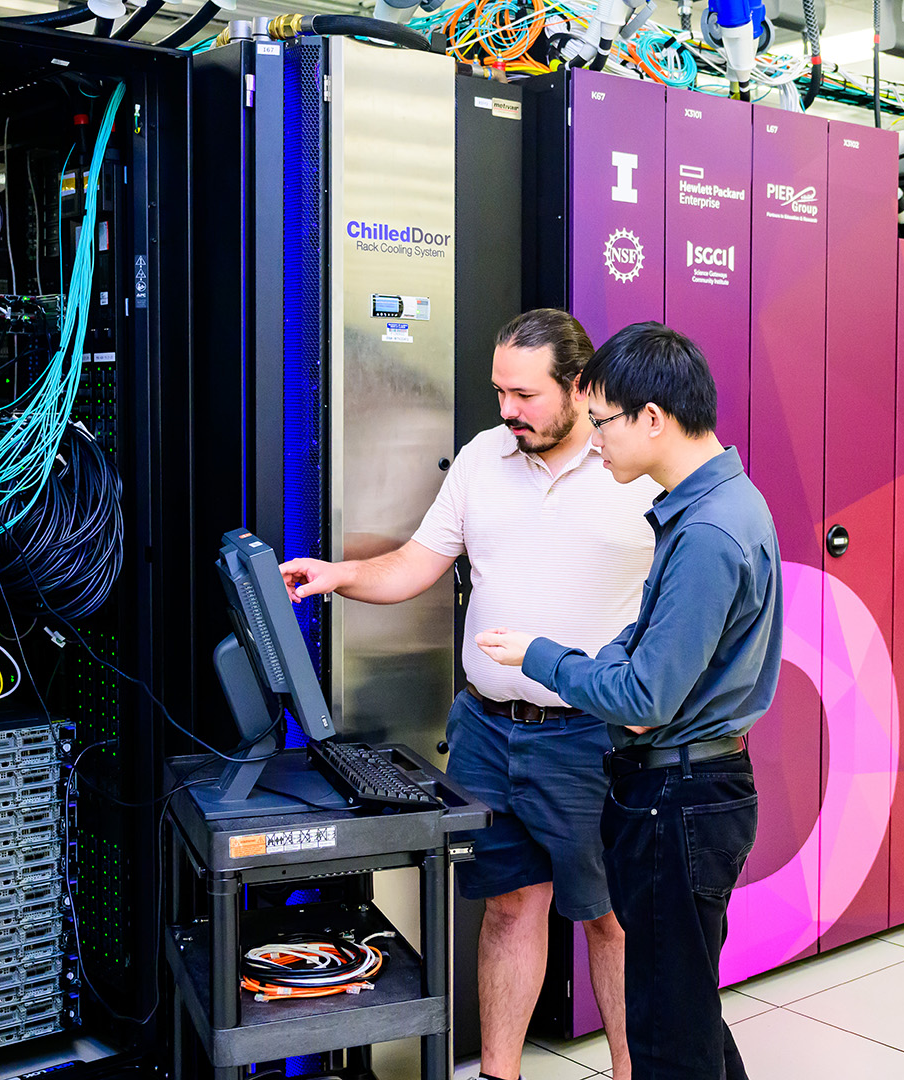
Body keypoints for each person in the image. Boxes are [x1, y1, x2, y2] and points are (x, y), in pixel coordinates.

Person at [280, 309, 653, 1080]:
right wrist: (339, 576)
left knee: (612, 921)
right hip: (488, 731)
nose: (507, 411)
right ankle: (499, 1074)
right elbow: (420, 560)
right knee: (510, 905)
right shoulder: (486, 456)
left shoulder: (634, 469)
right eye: (498, 392)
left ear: (580, 387)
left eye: (523, 394)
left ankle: (631, 1072)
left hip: (594, 736)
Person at [476, 322, 782, 1080]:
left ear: (652, 418)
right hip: (685, 791)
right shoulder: (710, 505)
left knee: (666, 1036)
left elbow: (644, 695)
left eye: (604, 421)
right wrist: (597, 658)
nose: (597, 438)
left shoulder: (708, 530)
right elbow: (640, 638)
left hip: (677, 797)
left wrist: (541, 657)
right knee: (686, 1011)